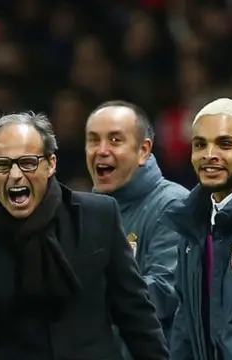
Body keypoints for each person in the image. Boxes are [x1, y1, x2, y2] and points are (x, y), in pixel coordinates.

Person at [0, 112, 169, 360]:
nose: (16, 175)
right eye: (2, 165)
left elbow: (136, 316)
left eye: (28, 163)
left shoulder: (97, 216)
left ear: (51, 164)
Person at [164, 98, 232, 360]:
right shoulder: (191, 221)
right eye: (200, 144)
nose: (209, 155)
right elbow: (185, 324)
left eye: (225, 144)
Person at [85, 101, 186, 347]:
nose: (101, 150)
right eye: (93, 140)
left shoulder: (173, 206)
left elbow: (164, 292)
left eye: (115, 140)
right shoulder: (84, 211)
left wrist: (84, 295)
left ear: (144, 150)